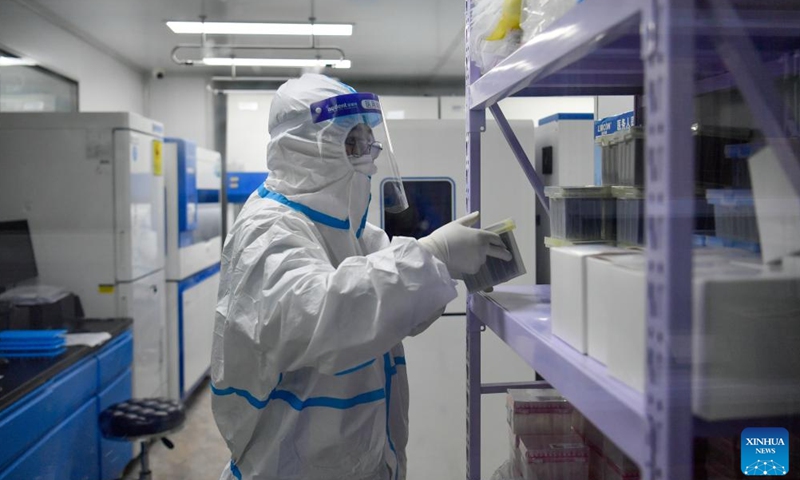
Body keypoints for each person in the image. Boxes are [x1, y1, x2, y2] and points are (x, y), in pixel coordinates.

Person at [211, 73, 511, 480]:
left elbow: (391, 312)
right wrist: (432, 255)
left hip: (356, 459)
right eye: (352, 142)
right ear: (305, 146)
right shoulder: (267, 229)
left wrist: (447, 265)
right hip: (288, 466)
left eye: (368, 140)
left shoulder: (351, 231)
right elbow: (324, 316)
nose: (368, 154)